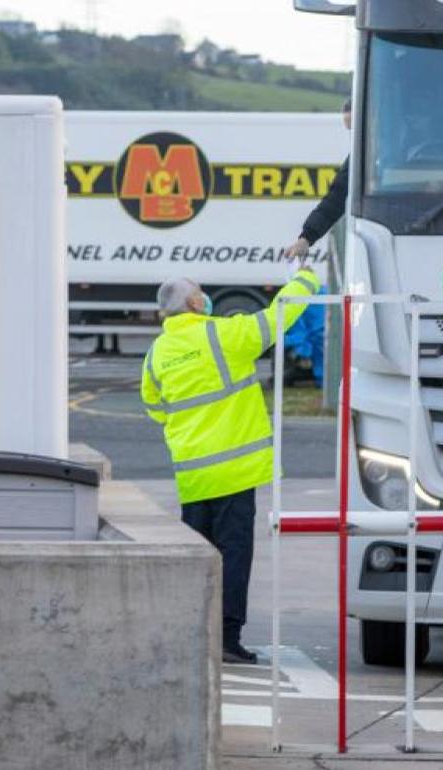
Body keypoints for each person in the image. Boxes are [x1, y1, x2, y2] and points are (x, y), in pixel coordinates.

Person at [142, 268, 322, 664]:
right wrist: (306, 278)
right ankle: (226, 638)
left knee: (199, 557)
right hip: (234, 469)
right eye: (201, 294)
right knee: (233, 554)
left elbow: (155, 409)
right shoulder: (223, 335)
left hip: (192, 473)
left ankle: (195, 633)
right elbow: (279, 316)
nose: (205, 298)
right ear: (194, 304)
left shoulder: (157, 353)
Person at [286, 98, 351, 261]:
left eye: (358, 127)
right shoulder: (361, 159)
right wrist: (306, 238)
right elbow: (335, 199)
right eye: (352, 130)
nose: (357, 137)